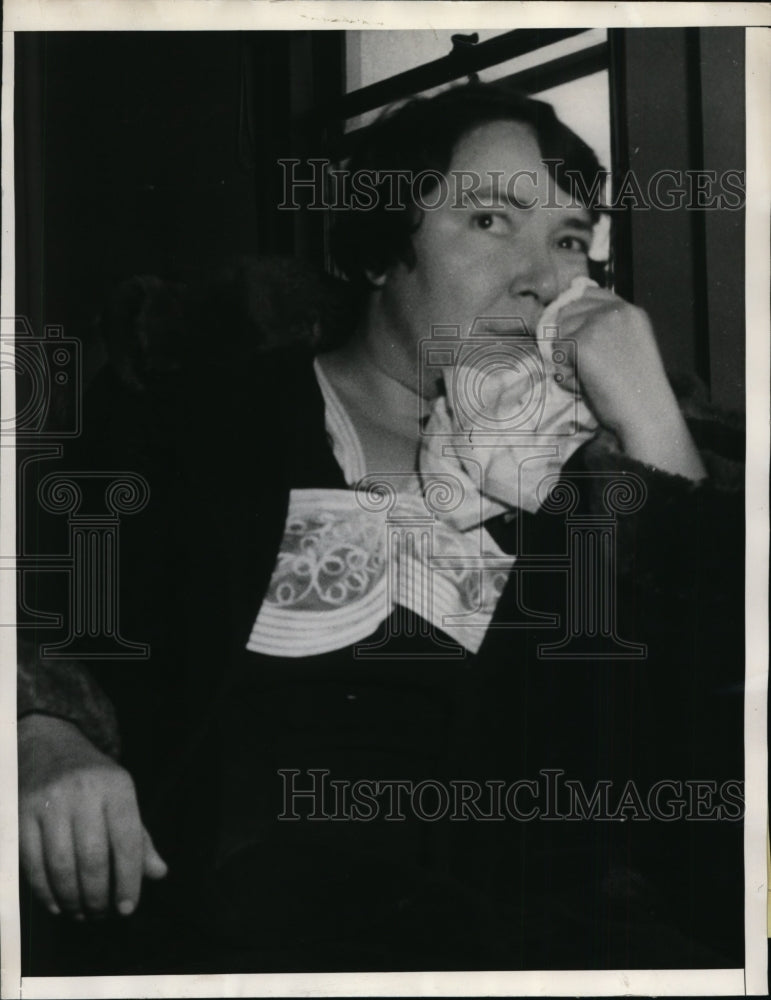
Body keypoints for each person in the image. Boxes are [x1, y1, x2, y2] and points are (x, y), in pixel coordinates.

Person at [18, 82, 744, 973]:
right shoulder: (192, 420)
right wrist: (40, 735)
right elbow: (40, 611)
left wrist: (652, 433)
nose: (541, 276)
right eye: (488, 222)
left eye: (568, 240)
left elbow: (714, 755)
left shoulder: (587, 476)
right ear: (376, 248)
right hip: (218, 942)